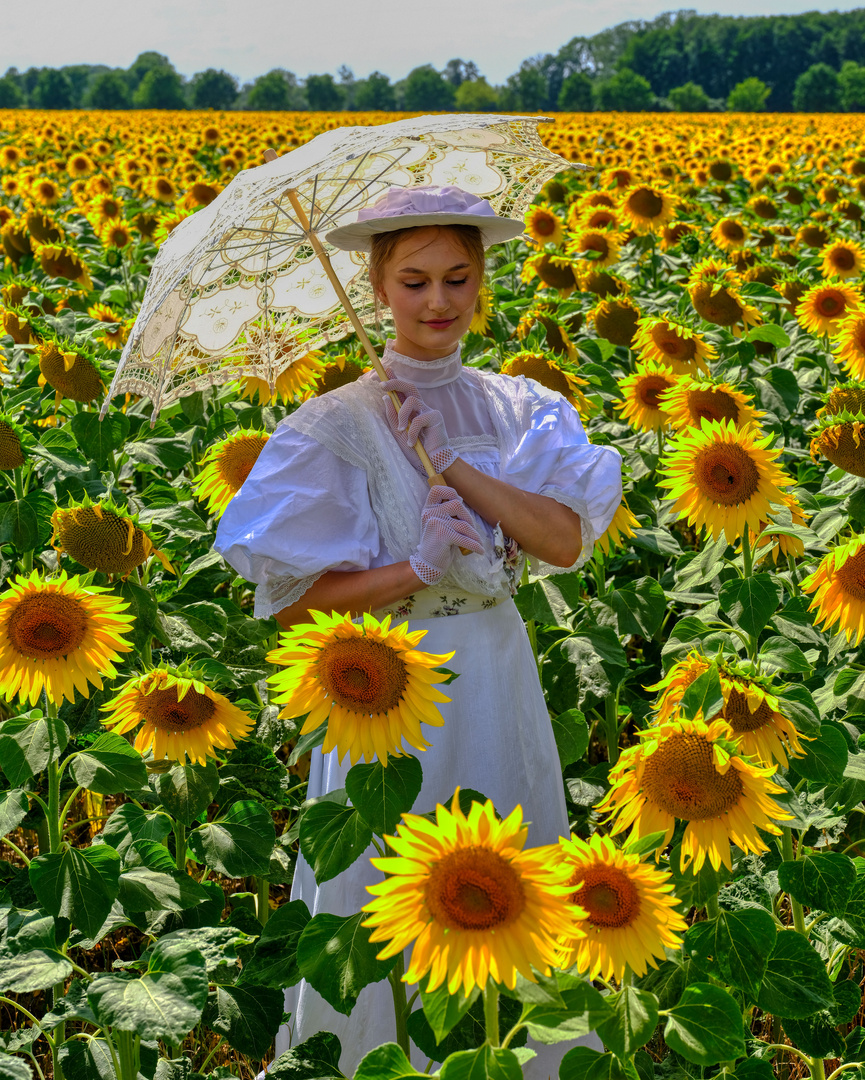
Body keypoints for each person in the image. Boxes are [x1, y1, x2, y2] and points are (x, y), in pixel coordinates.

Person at [215, 185, 623, 1077]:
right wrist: (415, 569)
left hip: (496, 672)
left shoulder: (520, 408)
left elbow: (560, 541)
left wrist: (462, 474)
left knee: (514, 875)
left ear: (482, 283)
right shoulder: (335, 425)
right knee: (382, 881)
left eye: (456, 278)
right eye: (413, 282)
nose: (436, 302)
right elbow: (291, 601)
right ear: (377, 288)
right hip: (387, 689)